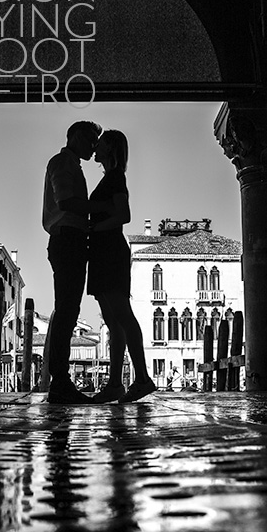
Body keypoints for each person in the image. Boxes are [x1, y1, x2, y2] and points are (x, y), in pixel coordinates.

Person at [86, 129, 157, 403]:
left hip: (110, 250)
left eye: (101, 142)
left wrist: (93, 227)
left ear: (111, 148)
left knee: (122, 315)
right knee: (113, 319)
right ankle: (116, 383)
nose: (96, 145)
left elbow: (123, 215)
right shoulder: (109, 177)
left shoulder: (115, 177)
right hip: (103, 251)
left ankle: (141, 378)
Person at [42, 120, 102, 404]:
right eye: (90, 140)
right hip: (67, 238)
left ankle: (60, 381)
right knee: (66, 310)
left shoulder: (71, 165)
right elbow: (66, 201)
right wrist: (100, 208)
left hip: (70, 239)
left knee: (67, 309)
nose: (93, 146)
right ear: (75, 137)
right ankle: (60, 383)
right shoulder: (62, 163)